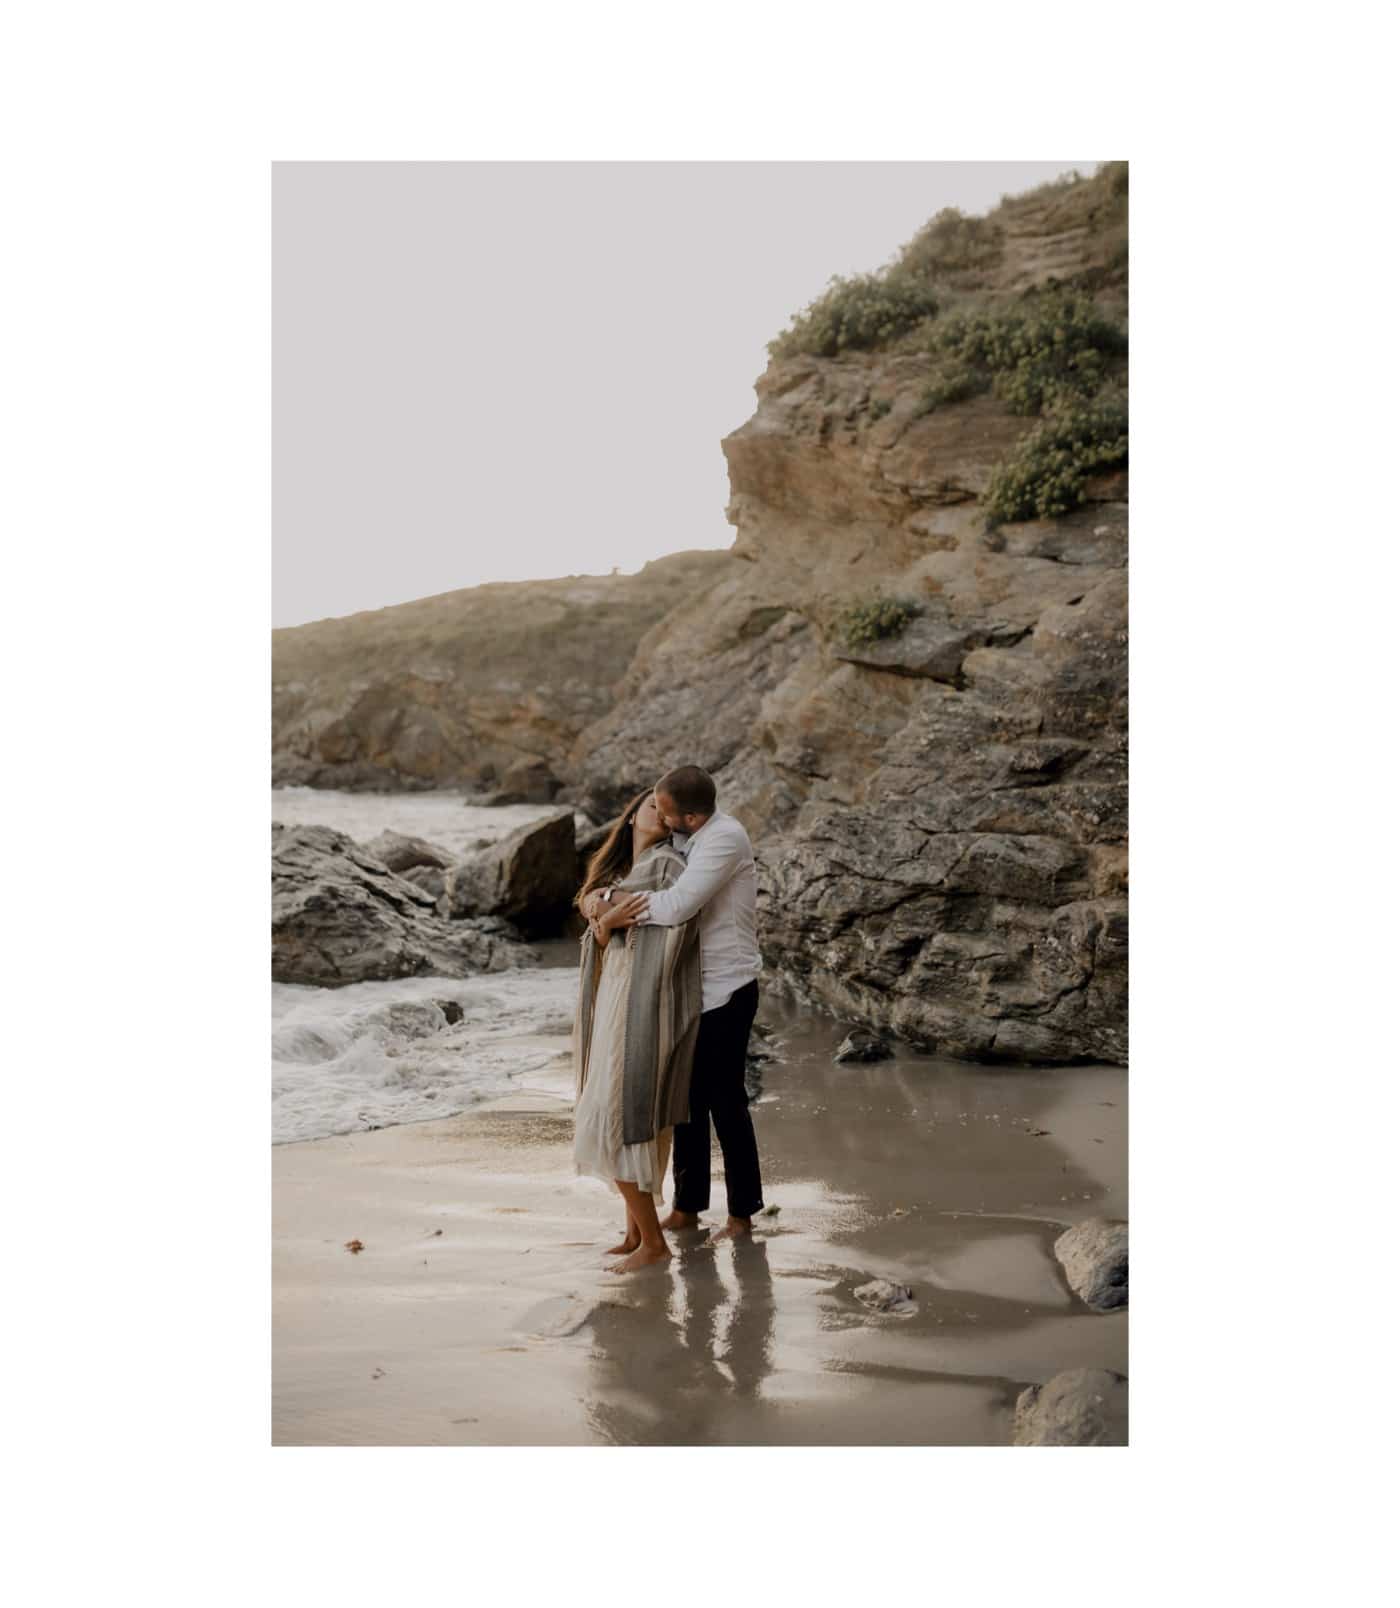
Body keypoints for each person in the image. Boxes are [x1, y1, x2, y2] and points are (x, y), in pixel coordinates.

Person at [582, 765, 763, 1243]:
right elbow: (616, 884)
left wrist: (613, 903)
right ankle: (686, 1208)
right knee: (686, 1101)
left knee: (726, 1102)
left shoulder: (724, 839)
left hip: (727, 987)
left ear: (691, 816)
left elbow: (676, 906)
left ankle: (742, 1215)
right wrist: (602, 899)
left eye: (664, 811)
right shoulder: (685, 838)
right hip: (688, 989)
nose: (658, 818)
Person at [571, 789, 704, 1273]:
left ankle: (653, 1244)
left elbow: (664, 916)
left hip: (641, 1002)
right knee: (617, 1110)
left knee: (616, 1114)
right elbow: (603, 932)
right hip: (614, 997)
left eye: (668, 811)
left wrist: (602, 906)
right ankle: (634, 1234)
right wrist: (602, 913)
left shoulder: (669, 864)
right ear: (631, 819)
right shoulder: (613, 874)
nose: (661, 813)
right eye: (652, 805)